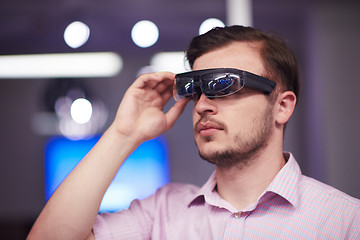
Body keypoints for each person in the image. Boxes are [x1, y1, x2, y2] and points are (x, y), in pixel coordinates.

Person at [27, 25, 360, 240]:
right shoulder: (161, 214)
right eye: (194, 89)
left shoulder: (344, 222)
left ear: (282, 106)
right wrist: (123, 134)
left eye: (223, 85)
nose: (201, 105)